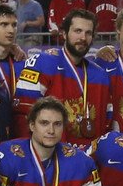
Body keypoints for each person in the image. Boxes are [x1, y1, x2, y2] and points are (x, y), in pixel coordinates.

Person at [16, 8, 113, 145]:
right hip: (51, 158)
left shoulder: (100, 75)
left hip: (88, 160)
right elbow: (23, 115)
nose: (83, 38)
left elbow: (107, 122)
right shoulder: (42, 63)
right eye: (77, 31)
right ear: (64, 34)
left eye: (88, 33)